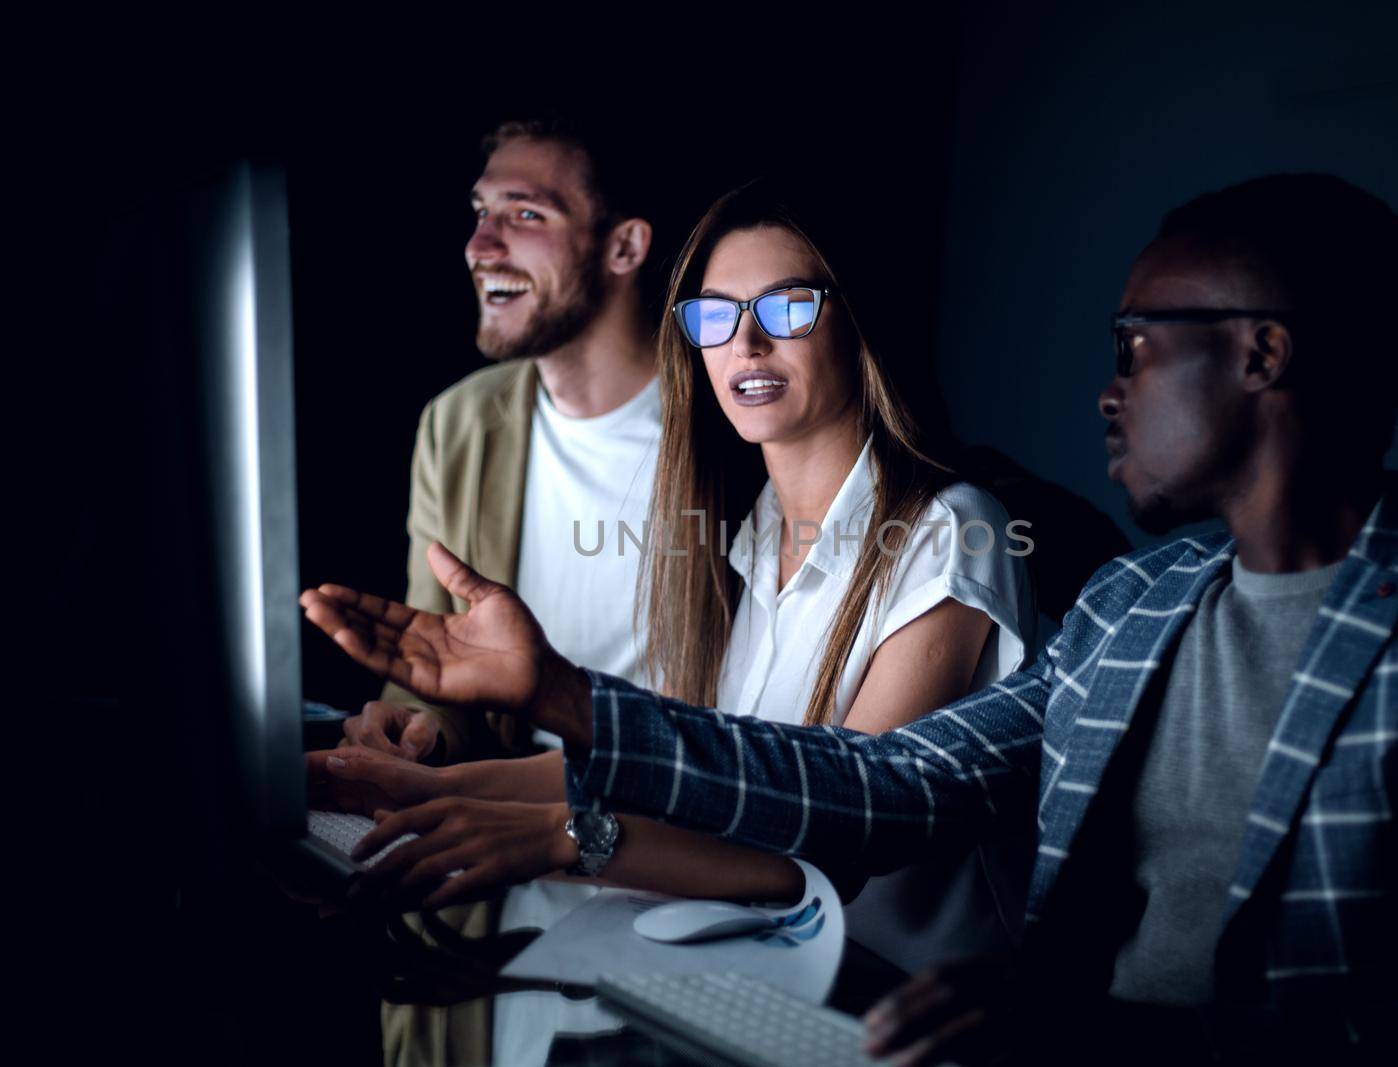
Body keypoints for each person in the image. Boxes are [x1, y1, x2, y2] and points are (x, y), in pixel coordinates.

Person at [303, 173, 1398, 1064]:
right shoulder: (1133, 602)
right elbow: (880, 785)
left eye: (1138, 343)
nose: (1104, 388)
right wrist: (554, 703)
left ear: (1261, 354)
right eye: (715, 317)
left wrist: (1117, 1043)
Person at [311, 181, 1046, 975]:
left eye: (786, 307)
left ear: (857, 319)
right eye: (715, 315)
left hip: (905, 1006)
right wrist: (416, 791)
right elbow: (697, 775)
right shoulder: (744, 534)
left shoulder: (954, 530)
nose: (746, 344)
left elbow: (842, 826)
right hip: (772, 983)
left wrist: (564, 837)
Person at [336, 114, 663, 765]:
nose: (479, 246)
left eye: (526, 215)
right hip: (506, 821)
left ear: (623, 247)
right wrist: (415, 728)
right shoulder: (455, 424)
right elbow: (434, 670)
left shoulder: (737, 425)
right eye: (482, 211)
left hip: (679, 832)